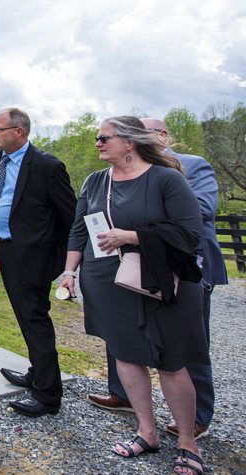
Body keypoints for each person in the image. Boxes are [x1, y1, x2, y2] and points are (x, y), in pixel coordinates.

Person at [59, 116, 206, 475]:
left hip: (158, 280)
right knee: (124, 353)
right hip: (107, 280)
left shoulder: (165, 178)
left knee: (170, 361)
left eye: (104, 137)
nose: (97, 143)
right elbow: (80, 230)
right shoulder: (95, 181)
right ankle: (147, 432)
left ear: (130, 143)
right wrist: (68, 272)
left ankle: (187, 441)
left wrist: (131, 236)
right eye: (97, 138)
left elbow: (190, 233)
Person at [88, 118, 228, 441]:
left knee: (184, 348)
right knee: (125, 342)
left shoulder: (186, 168)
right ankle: (125, 399)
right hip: (134, 267)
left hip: (181, 268)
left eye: (148, 131)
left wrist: (144, 218)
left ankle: (196, 419)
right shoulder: (109, 179)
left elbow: (201, 212)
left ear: (159, 136)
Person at [0, 108, 77, 417]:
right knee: (24, 316)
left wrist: (66, 263)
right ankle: (37, 373)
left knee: (34, 319)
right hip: (4, 247)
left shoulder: (47, 166)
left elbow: (70, 217)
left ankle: (47, 395)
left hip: (32, 254)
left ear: (19, 132)